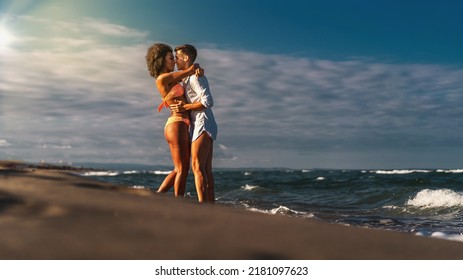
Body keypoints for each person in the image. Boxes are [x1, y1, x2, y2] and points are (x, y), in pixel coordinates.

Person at [145, 43, 200, 197]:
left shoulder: (171, 79)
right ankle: (178, 203)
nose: (174, 62)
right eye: (171, 58)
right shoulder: (162, 78)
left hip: (181, 123)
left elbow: (189, 72)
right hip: (176, 123)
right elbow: (189, 70)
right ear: (161, 60)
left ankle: (158, 196)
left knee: (179, 168)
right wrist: (196, 66)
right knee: (182, 169)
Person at [170, 44, 218, 203]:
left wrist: (185, 107)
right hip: (203, 122)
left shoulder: (196, 77)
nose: (175, 60)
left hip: (202, 121)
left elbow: (208, 101)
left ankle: (204, 206)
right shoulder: (189, 75)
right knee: (206, 169)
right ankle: (211, 205)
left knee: (197, 167)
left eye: (177, 57)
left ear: (186, 57)